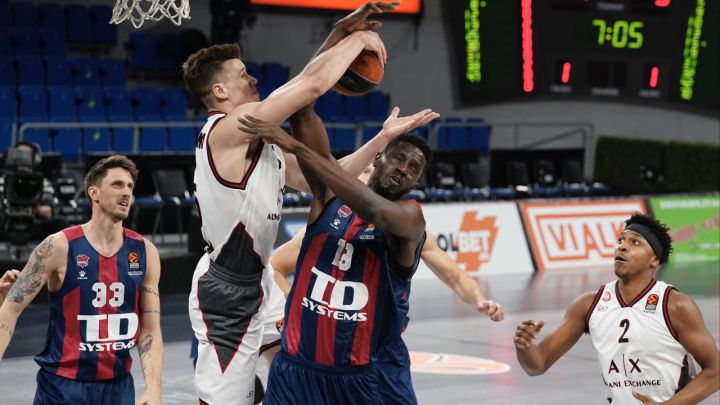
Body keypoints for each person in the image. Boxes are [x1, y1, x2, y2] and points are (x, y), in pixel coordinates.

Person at [182, 3, 433, 403]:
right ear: (220, 92)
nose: (254, 78)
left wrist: (383, 138)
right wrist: (356, 39)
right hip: (227, 293)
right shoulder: (228, 129)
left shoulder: (260, 143)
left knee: (298, 360)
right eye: (242, 74)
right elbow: (310, 86)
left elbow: (330, 175)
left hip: (259, 282)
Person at [236, 92, 433, 403]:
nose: (403, 169)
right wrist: (314, 88)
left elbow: (374, 209)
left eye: (413, 168)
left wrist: (294, 147)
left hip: (357, 375)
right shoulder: (329, 198)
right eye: (398, 158)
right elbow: (306, 121)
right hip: (295, 370)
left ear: (416, 183)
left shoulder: (410, 218)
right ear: (377, 158)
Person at [0, 155, 163, 405]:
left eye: (130, 186)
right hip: (62, 388)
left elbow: (150, 329)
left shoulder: (146, 252)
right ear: (94, 193)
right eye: (117, 184)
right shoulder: (58, 246)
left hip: (118, 388)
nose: (126, 192)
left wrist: (153, 388)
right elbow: (9, 311)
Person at [514, 213, 719, 404]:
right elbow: (537, 364)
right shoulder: (588, 305)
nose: (622, 247)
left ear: (654, 260)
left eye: (635, 242)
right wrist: (524, 346)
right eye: (621, 240)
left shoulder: (674, 305)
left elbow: (716, 372)